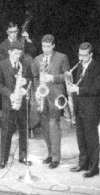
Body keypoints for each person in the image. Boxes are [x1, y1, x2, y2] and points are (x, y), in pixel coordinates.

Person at [32, 34, 70, 169]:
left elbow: (67, 76)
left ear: (53, 46)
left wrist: (52, 78)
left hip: (55, 96)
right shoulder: (37, 59)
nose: (45, 49)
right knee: (45, 126)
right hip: (42, 97)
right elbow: (35, 77)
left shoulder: (62, 57)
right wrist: (37, 92)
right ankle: (49, 153)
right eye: (43, 46)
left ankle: (56, 157)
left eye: (48, 46)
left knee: (53, 125)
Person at [67, 42, 100, 178]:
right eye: (79, 54)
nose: (81, 58)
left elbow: (96, 89)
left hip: (90, 108)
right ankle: (83, 163)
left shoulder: (97, 67)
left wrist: (78, 90)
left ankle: (94, 168)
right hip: (79, 107)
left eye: (84, 55)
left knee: (91, 139)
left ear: (91, 54)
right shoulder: (78, 67)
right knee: (81, 138)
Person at [0, 41, 32, 169]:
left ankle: (23, 156)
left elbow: (30, 78)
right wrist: (10, 95)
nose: (18, 56)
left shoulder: (25, 63)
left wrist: (25, 81)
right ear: (9, 52)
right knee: (6, 131)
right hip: (9, 102)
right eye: (15, 53)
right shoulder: (1, 65)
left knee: (23, 130)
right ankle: (3, 159)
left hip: (21, 103)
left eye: (19, 53)